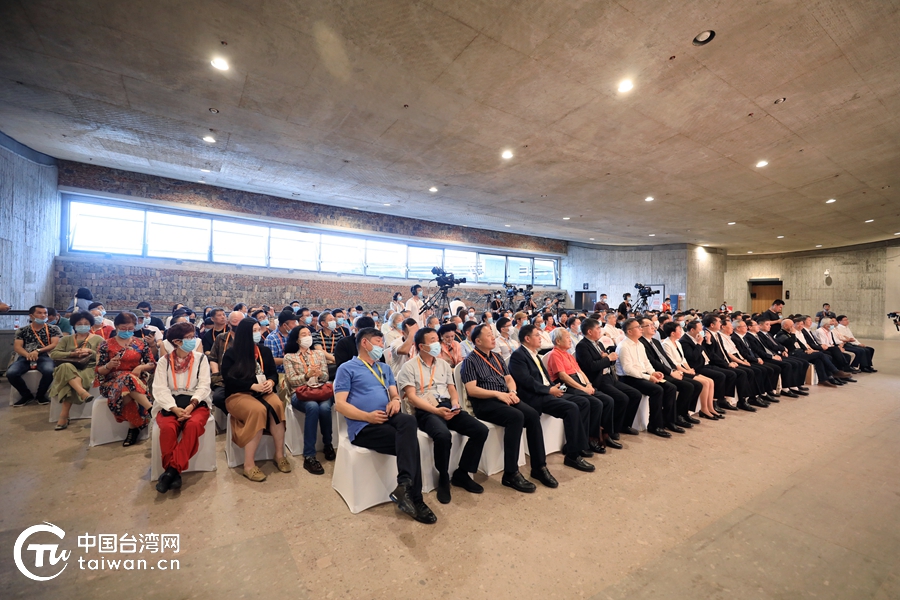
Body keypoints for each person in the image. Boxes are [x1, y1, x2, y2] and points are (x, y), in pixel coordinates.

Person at [334, 327, 436, 524]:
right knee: (411, 445)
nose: (382, 346)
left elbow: (394, 393)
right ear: (365, 343)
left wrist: (396, 401)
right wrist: (367, 417)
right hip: (364, 426)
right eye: (379, 342)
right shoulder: (347, 368)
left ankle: (404, 486)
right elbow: (340, 404)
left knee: (408, 420)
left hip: (388, 417)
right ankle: (415, 498)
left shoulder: (384, 368)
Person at [461, 324, 558, 492]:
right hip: (486, 403)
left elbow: (509, 379)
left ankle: (539, 467)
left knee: (533, 415)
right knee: (516, 417)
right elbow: (472, 389)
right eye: (489, 335)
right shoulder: (470, 361)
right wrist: (498, 395)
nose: (493, 338)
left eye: (493, 334)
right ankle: (511, 473)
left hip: (506, 397)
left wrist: (512, 391)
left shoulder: (497, 357)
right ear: (477, 341)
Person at [398, 327, 487, 503]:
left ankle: (462, 472)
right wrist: (436, 411)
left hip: (447, 405)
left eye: (436, 339)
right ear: (421, 346)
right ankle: (444, 477)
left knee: (480, 430)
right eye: (432, 340)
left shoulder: (444, 365)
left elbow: (452, 388)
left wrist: (455, 404)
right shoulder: (408, 367)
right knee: (443, 435)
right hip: (425, 409)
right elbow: (412, 398)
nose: (437, 343)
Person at [510, 325, 596, 470]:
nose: (540, 338)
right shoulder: (518, 356)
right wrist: (549, 390)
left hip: (549, 390)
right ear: (527, 338)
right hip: (535, 396)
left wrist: (557, 388)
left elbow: (547, 379)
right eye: (537, 335)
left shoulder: (534, 354)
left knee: (583, 402)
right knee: (571, 407)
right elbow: (526, 381)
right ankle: (573, 456)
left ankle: (577, 444)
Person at [221, 318, 291, 481]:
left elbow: (272, 373)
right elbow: (229, 379)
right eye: (254, 330)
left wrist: (271, 382)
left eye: (258, 329)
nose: (258, 333)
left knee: (277, 405)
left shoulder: (264, 351)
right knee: (258, 410)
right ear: (245, 333)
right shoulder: (231, 353)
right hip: (238, 394)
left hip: (263, 392)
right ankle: (249, 465)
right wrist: (251, 386)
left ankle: (279, 455)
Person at [150, 322, 212, 493]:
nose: (194, 340)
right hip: (171, 403)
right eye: (190, 338)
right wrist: (173, 408)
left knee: (193, 425)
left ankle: (170, 471)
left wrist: (192, 405)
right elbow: (160, 388)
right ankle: (174, 472)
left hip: (196, 403)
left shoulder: (201, 359)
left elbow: (204, 385)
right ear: (177, 341)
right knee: (168, 428)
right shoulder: (164, 362)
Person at [545, 328, 617, 452]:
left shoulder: (568, 354)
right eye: (567, 337)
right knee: (595, 403)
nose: (570, 340)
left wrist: (588, 384)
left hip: (579, 382)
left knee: (608, 400)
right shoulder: (554, 354)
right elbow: (563, 377)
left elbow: (580, 371)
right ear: (558, 341)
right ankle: (590, 438)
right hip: (563, 385)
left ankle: (606, 434)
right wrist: (583, 389)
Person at [96, 311, 156, 445]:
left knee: (128, 384)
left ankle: (133, 428)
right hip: (111, 383)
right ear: (116, 326)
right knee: (126, 379)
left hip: (138, 380)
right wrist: (109, 365)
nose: (127, 331)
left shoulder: (141, 344)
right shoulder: (106, 344)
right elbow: (99, 370)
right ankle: (152, 410)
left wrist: (140, 368)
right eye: (123, 328)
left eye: (130, 328)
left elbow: (152, 364)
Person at [575, 318, 642, 437]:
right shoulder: (582, 346)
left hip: (609, 377)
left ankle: (625, 424)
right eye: (598, 328)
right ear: (589, 331)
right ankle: (612, 429)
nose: (600, 330)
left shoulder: (599, 343)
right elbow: (590, 366)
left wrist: (609, 359)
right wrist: (607, 359)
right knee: (622, 398)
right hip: (597, 379)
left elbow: (608, 361)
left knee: (635, 394)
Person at [284, 325, 335, 475]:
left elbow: (326, 376)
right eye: (303, 334)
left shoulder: (318, 354)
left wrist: (319, 374)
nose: (308, 336)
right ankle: (309, 455)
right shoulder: (289, 357)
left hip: (320, 390)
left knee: (325, 408)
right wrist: (306, 376)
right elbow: (291, 380)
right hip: (300, 393)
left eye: (308, 333)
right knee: (312, 407)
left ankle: (328, 444)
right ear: (297, 339)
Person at [638, 317, 701, 431]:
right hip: (655, 373)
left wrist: (674, 370)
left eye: (653, 325)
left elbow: (665, 359)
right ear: (641, 329)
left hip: (665, 370)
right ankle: (672, 418)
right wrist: (671, 372)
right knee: (681, 387)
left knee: (696, 385)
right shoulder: (641, 343)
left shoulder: (655, 341)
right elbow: (653, 362)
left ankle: (682, 413)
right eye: (649, 325)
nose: (653, 327)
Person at [615, 318, 674, 438]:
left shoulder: (639, 344)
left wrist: (653, 373)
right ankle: (655, 425)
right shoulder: (624, 346)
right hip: (629, 378)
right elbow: (628, 370)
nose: (641, 329)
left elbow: (646, 362)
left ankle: (668, 420)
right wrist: (648, 377)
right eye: (638, 327)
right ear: (629, 331)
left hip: (642, 375)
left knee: (670, 387)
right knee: (657, 390)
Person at [49, 311, 101, 429]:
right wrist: (72, 354)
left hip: (88, 368)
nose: (83, 325)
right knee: (66, 367)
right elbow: (54, 354)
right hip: (67, 366)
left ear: (90, 324)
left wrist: (90, 352)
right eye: (79, 323)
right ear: (74, 325)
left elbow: (103, 356)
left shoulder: (98, 339)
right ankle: (82, 392)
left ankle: (64, 415)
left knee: (68, 379)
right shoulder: (66, 339)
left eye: (86, 323)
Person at [659, 321, 719, 420]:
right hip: (677, 370)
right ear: (673, 333)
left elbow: (683, 359)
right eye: (679, 330)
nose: (682, 331)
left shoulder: (677, 343)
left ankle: (709, 408)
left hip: (684, 369)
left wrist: (689, 369)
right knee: (701, 383)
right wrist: (686, 371)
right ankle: (694, 410)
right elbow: (673, 362)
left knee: (710, 381)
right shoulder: (666, 344)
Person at [10, 305, 62, 407]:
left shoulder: (54, 328)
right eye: (39, 313)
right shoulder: (22, 330)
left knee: (49, 371)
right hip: (25, 356)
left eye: (45, 313)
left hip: (45, 356)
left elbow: (55, 344)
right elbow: (17, 347)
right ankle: (26, 395)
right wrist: (27, 354)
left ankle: (40, 395)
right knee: (11, 373)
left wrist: (37, 351)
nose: (43, 315)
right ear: (31, 316)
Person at [264, 309, 298, 373]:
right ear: (285, 325)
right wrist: (291, 360)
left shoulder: (295, 335)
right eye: (293, 323)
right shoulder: (272, 338)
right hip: (280, 373)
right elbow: (271, 360)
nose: (296, 325)